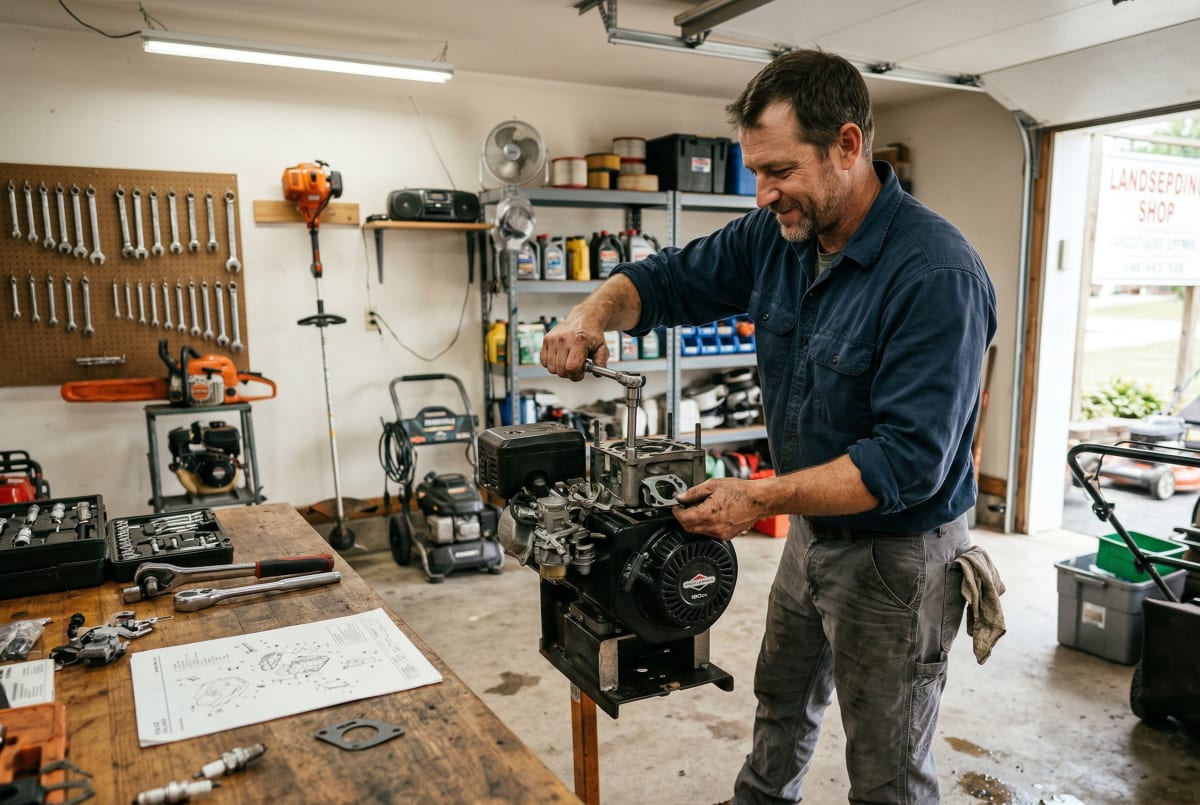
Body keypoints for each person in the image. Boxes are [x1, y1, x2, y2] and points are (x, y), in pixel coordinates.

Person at [541, 48, 998, 805]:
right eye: (755, 170)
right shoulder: (778, 238)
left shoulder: (936, 275)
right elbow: (663, 281)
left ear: (848, 146)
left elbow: (904, 463)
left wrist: (758, 499)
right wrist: (590, 313)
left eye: (780, 170)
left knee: (887, 763)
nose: (763, 194)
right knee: (781, 700)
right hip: (813, 530)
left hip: (900, 556)